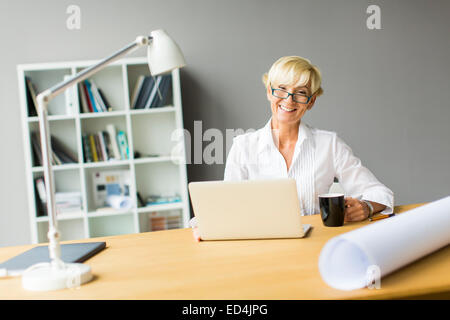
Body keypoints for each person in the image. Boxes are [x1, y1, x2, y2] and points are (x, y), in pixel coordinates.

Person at [191, 56, 394, 241]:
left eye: (301, 93)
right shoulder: (243, 146)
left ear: (311, 101)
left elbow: (379, 193)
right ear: (269, 92)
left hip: (318, 245)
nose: (289, 100)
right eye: (281, 89)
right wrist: (206, 224)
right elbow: (228, 205)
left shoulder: (329, 144)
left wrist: (367, 207)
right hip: (261, 249)